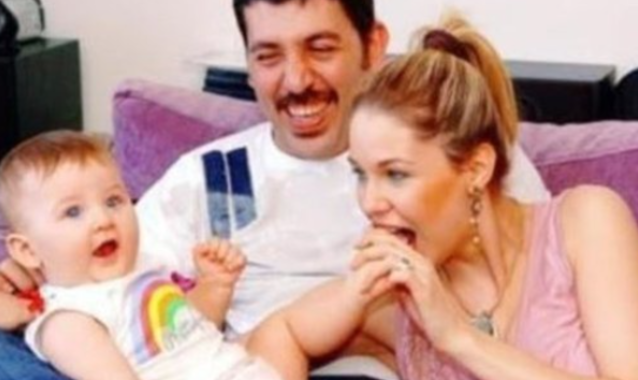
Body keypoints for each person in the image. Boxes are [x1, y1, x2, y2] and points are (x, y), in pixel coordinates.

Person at [0, 0, 549, 378]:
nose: (296, 80)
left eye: (321, 48)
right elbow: (100, 268)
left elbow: (536, 293)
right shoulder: (209, 177)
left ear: (373, 45)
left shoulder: (454, 155)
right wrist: (25, 273)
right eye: (268, 56)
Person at [342, 12, 638, 379]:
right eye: (360, 174)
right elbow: (299, 329)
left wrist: (459, 339)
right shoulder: (400, 302)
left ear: (476, 169)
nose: (369, 202)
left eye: (396, 174)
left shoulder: (586, 222)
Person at [0, 130, 390, 380]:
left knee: (293, 321)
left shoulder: (143, 269)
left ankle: (358, 288)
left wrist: (215, 287)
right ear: (26, 250)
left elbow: (190, 329)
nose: (103, 219)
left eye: (114, 200)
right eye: (73, 212)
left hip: (241, 368)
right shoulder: (68, 321)